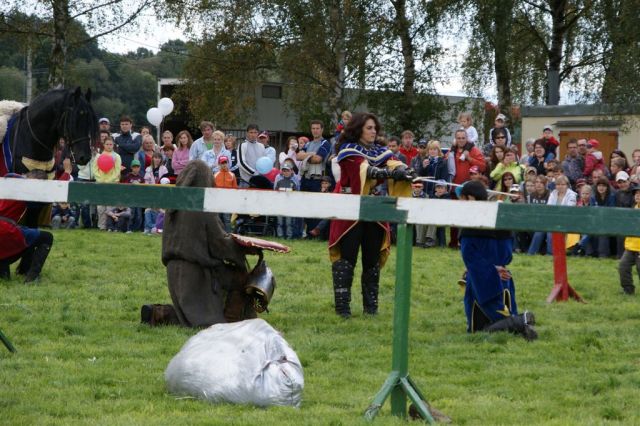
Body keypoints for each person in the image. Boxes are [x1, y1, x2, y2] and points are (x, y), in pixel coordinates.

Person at [142, 160, 262, 327]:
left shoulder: (173, 207)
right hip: (195, 273)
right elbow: (219, 243)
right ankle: (234, 319)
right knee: (240, 277)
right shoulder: (201, 207)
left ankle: (159, 313)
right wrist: (243, 250)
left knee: (190, 315)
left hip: (174, 273)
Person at [329, 112, 415, 318]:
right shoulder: (348, 151)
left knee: (372, 259)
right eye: (369, 128)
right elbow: (363, 170)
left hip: (375, 209)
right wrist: (388, 173)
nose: (373, 131)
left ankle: (371, 308)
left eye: (375, 128)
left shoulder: (380, 151)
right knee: (346, 259)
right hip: (350, 210)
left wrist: (404, 170)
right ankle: (343, 309)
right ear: (358, 129)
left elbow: (393, 162)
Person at [457, 180, 537, 340]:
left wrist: (493, 270)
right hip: (503, 277)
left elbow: (470, 256)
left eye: (463, 198)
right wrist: (499, 266)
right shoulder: (500, 218)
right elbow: (507, 253)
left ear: (470, 198)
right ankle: (520, 322)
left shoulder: (470, 223)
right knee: (504, 313)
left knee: (479, 329)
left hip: (483, 280)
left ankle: (521, 320)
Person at [0, 171, 54, 283]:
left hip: (5, 231)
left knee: (4, 278)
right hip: (5, 229)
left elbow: (8, 175)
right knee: (46, 237)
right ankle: (32, 277)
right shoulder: (22, 186)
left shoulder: (7, 181)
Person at [447, 128, 486, 248]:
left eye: (463, 138)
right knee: (454, 217)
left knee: (469, 218)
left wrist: (469, 158)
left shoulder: (473, 150)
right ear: (455, 139)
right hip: (454, 189)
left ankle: (467, 241)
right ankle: (453, 242)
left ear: (467, 138)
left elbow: (483, 166)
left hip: (470, 191)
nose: (461, 140)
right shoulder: (451, 151)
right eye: (458, 138)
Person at [527, 175, 577, 256]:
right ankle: (531, 253)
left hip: (565, 221)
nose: (560, 186)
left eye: (562, 184)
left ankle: (551, 254)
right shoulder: (553, 193)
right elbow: (549, 208)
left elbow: (568, 210)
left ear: (567, 185)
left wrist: (555, 214)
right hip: (552, 220)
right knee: (539, 231)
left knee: (551, 232)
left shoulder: (572, 195)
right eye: (558, 184)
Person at [297, 120, 331, 233]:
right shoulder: (308, 144)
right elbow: (297, 156)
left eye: (317, 128)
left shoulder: (325, 143)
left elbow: (318, 159)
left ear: (322, 130)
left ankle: (314, 233)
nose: (315, 130)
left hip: (317, 179)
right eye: (313, 128)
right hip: (305, 178)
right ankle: (308, 232)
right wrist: (311, 154)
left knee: (315, 207)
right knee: (304, 206)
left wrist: (305, 156)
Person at [93, 136, 122, 230]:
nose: (109, 146)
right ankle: (101, 226)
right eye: (107, 144)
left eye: (111, 144)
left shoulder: (116, 156)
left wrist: (109, 181)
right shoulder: (99, 156)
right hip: (100, 184)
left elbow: (117, 171)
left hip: (112, 185)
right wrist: (100, 180)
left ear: (113, 145)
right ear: (103, 145)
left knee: (110, 207)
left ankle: (110, 226)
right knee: (100, 207)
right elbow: (95, 170)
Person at [618, 185, 640, 294]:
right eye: (636, 193)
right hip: (630, 247)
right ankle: (628, 290)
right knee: (623, 266)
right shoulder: (633, 209)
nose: (637, 195)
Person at [274, 163, 299, 239]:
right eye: (284, 171)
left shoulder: (294, 182)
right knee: (280, 222)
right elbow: (275, 192)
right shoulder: (279, 182)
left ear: (291, 171)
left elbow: (296, 193)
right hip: (280, 204)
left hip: (290, 205)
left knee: (289, 222)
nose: (286, 172)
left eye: (287, 171)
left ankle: (289, 236)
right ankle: (280, 235)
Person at [122, 159, 145, 233]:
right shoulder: (128, 176)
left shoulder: (141, 178)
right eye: (134, 167)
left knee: (139, 215)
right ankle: (129, 228)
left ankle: (136, 229)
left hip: (138, 199)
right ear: (131, 167)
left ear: (139, 168)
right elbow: (124, 188)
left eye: (137, 167)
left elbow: (144, 188)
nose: (136, 169)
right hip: (130, 198)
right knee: (131, 214)